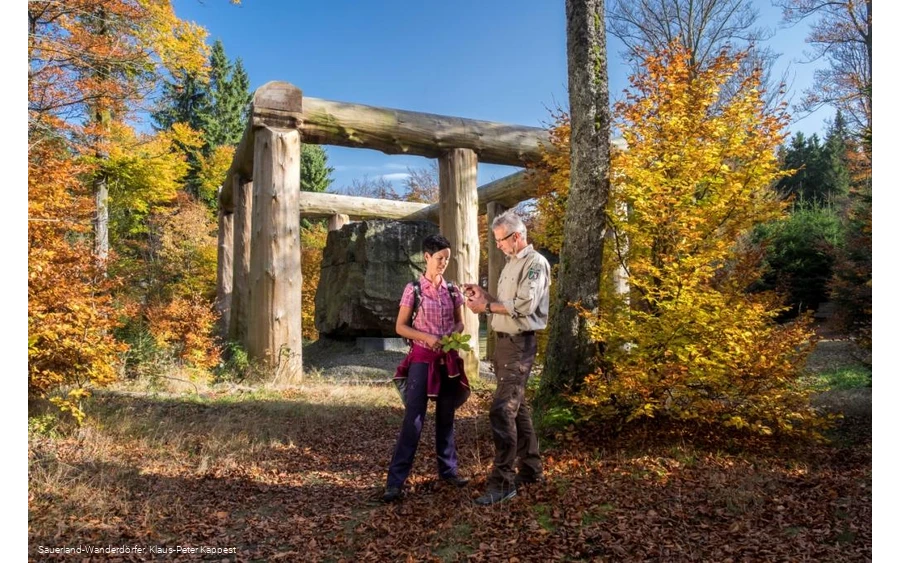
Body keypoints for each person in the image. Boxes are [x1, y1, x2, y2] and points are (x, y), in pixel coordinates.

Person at [463, 210, 550, 506]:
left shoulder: (535, 264)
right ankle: (531, 469)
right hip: (503, 347)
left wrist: (486, 309)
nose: (498, 245)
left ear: (516, 237)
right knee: (518, 409)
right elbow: (505, 304)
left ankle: (503, 482)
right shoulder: (511, 264)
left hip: (520, 346)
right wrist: (483, 295)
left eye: (500, 240)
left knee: (501, 411)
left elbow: (524, 306)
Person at [382, 234, 471, 503]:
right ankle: (395, 483)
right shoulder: (414, 290)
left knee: (446, 417)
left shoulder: (453, 291)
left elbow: (460, 323)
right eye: (440, 258)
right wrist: (426, 337)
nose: (444, 262)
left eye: (447, 258)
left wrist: (451, 336)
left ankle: (449, 471)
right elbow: (400, 326)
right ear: (427, 257)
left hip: (448, 361)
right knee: (414, 420)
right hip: (421, 360)